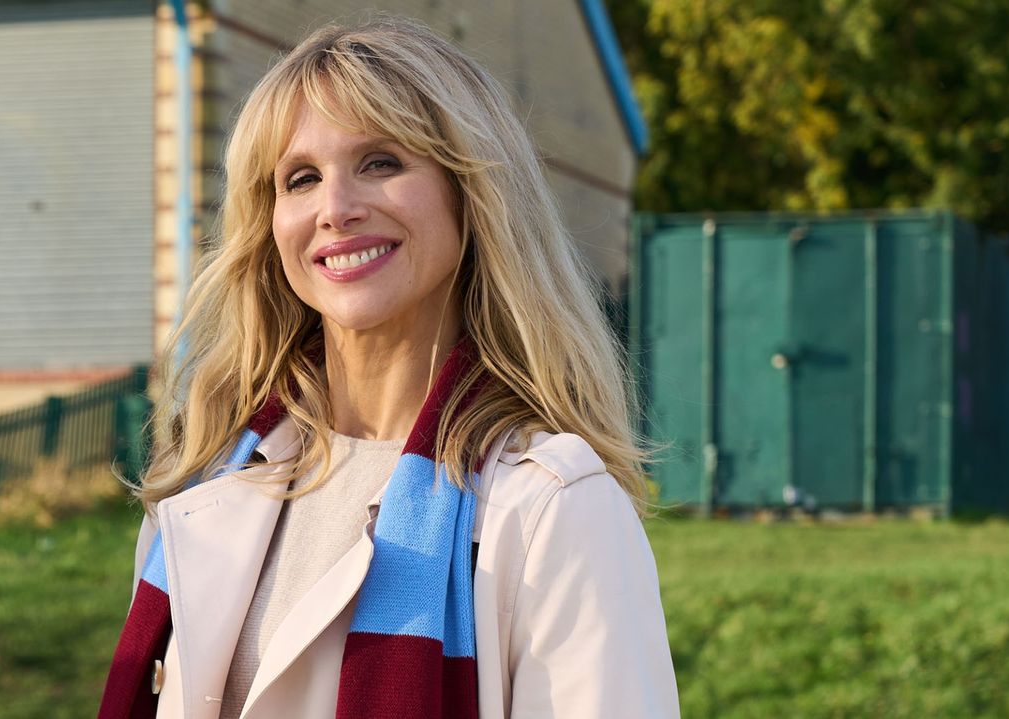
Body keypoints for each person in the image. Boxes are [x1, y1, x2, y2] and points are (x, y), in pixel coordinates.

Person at [100, 17, 678, 719]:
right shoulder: (203, 477)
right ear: (270, 222)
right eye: (301, 178)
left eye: (381, 162)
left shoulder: (553, 508)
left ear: (473, 196)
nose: (336, 209)